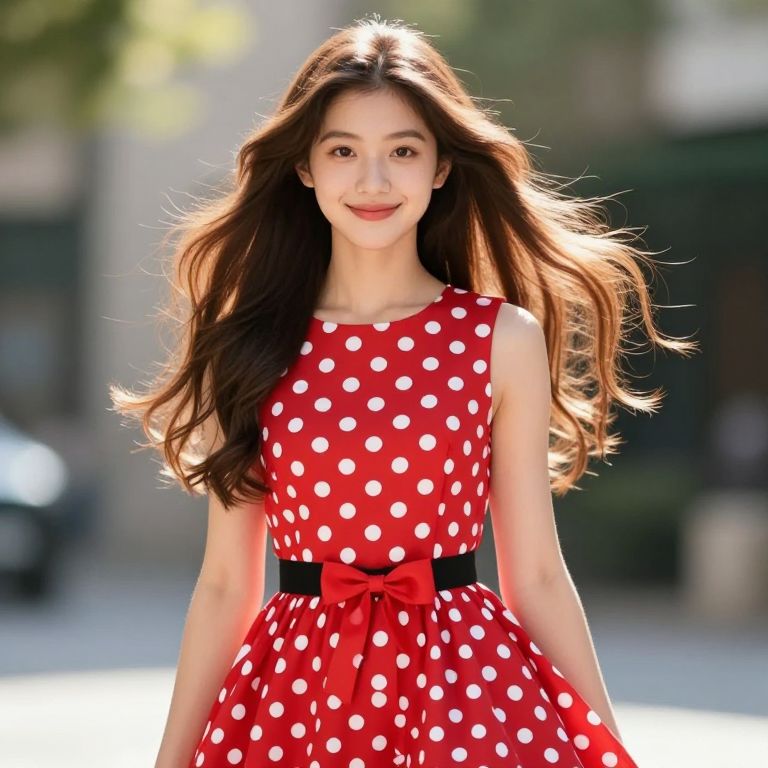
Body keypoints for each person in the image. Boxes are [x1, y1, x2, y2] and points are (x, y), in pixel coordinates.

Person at [110, 15, 697, 768]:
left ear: (442, 168)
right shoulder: (250, 342)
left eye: (403, 152)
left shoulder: (501, 339)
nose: (374, 181)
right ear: (304, 168)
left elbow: (540, 576)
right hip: (297, 699)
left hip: (467, 694)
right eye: (344, 151)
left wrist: (608, 750)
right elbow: (226, 586)